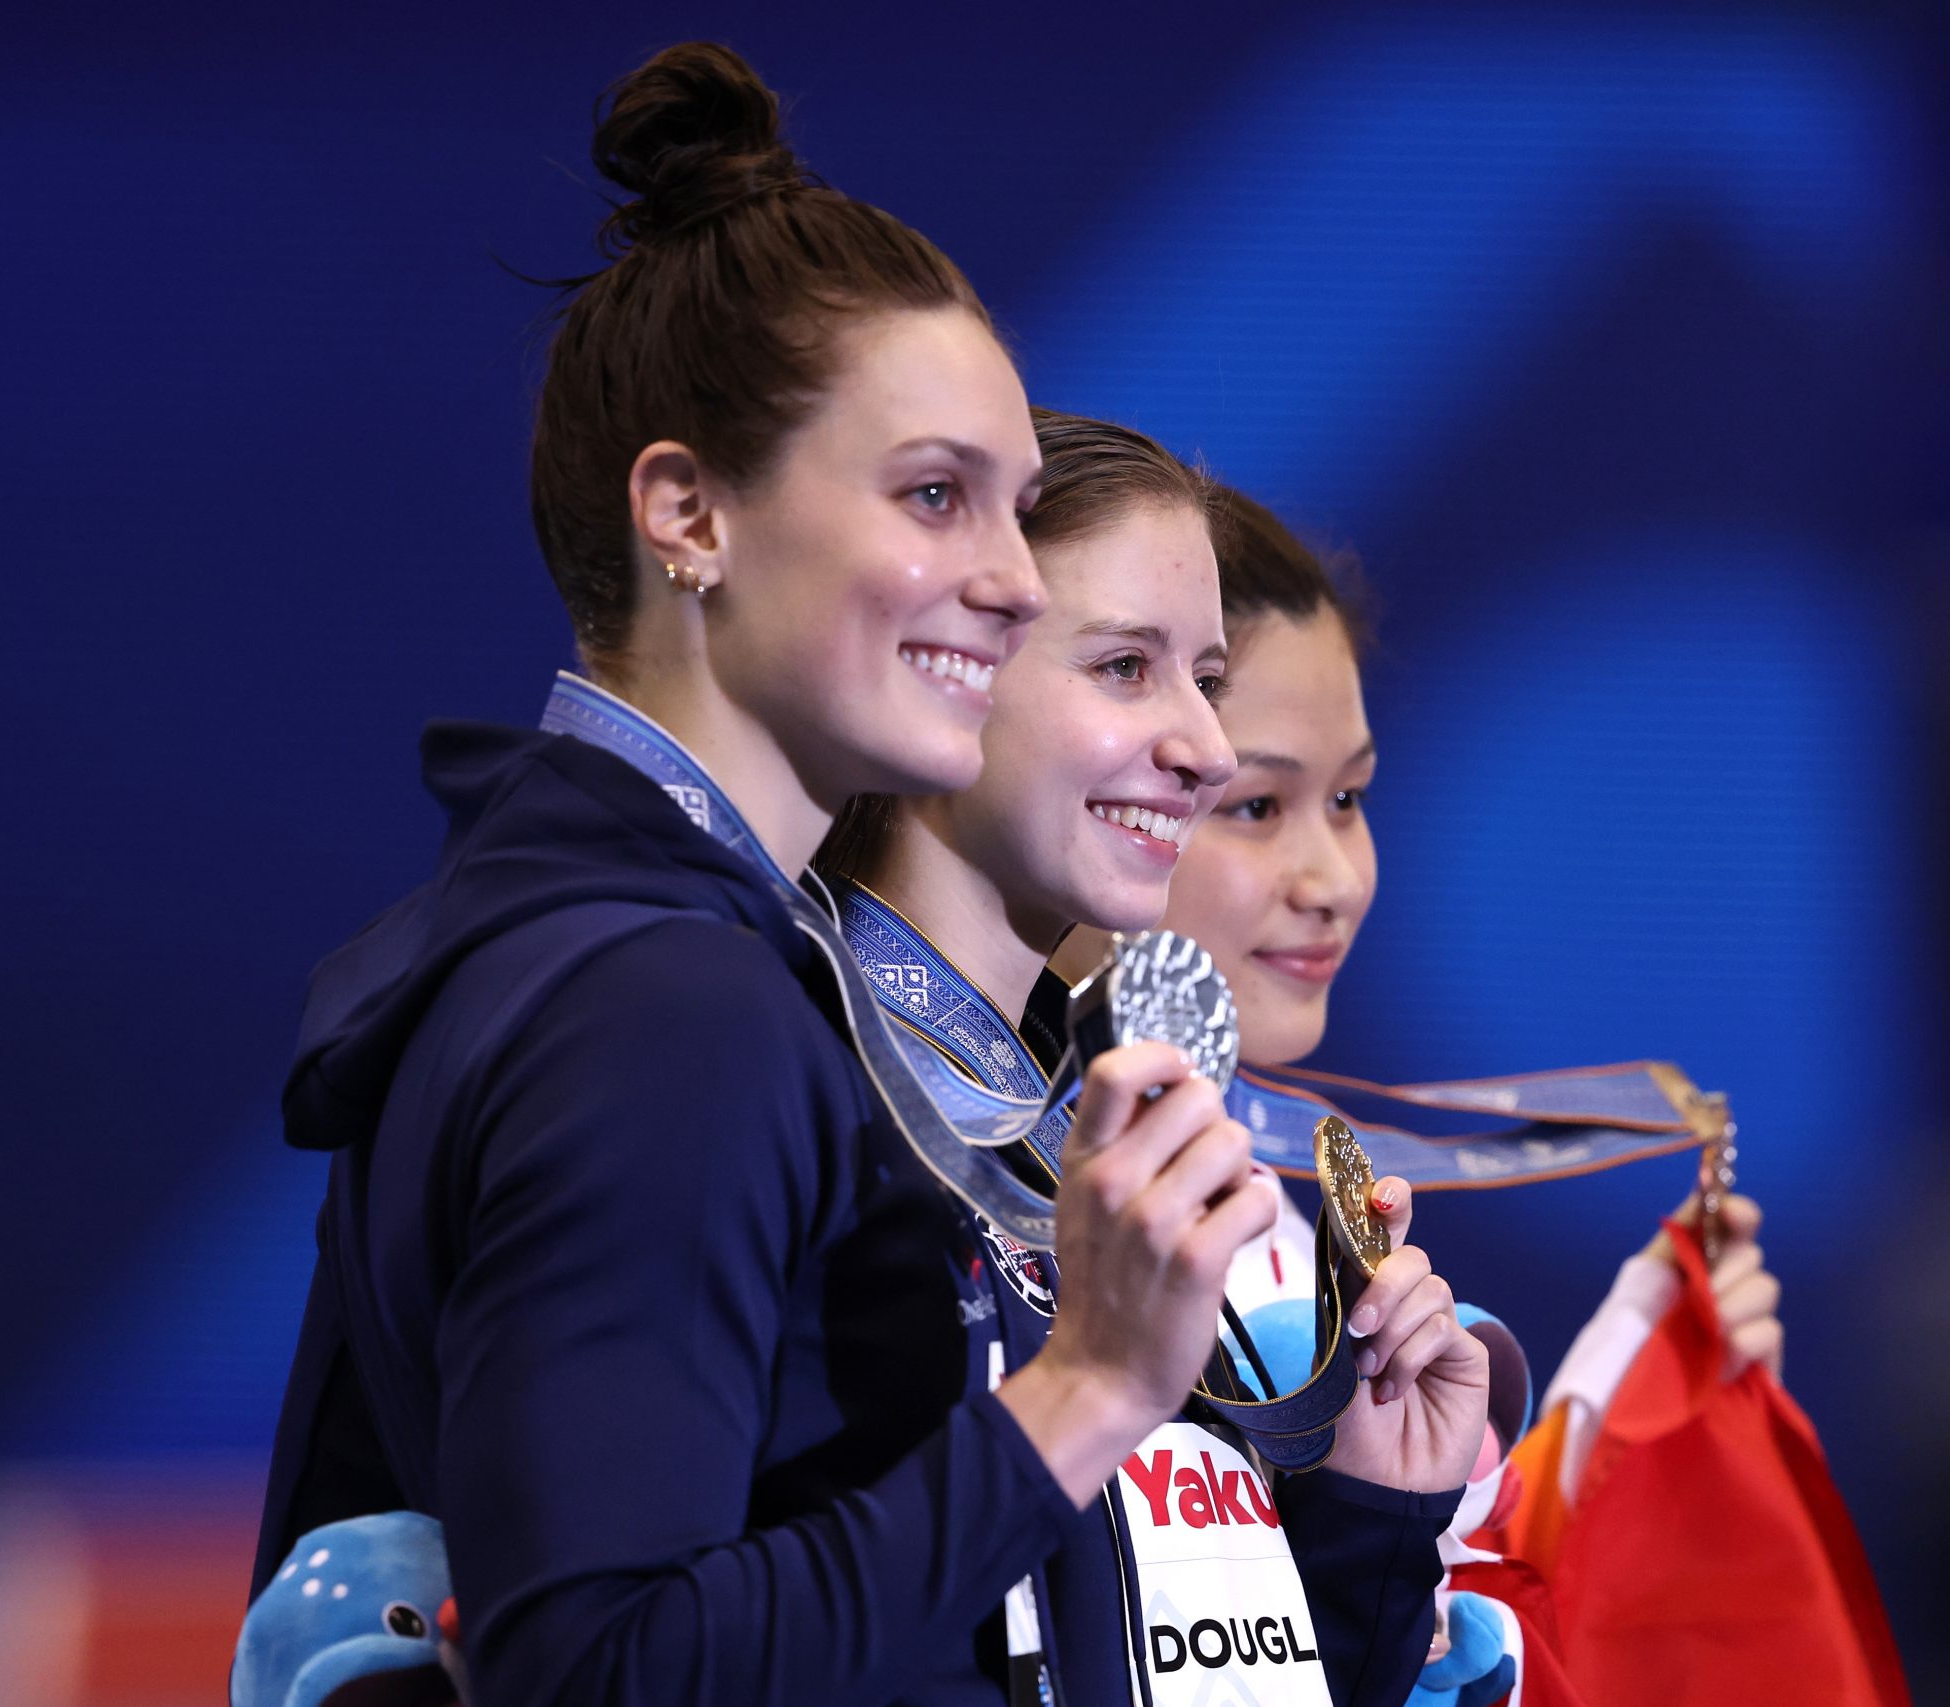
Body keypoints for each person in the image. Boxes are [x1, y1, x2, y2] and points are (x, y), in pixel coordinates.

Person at [248, 46, 1356, 1705]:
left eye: (1016, 510)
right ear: (687, 512)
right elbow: (600, 1668)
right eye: (934, 496)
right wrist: (1090, 1390)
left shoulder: (599, 952)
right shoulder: (662, 1004)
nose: (1001, 579)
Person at [817, 410, 1491, 1704]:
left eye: (1348, 798)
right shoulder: (797, 1085)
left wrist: (1376, 1508)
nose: (1196, 745)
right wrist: (1090, 1389)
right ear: (948, 666)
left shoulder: (1101, 1159)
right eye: (1127, 667)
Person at [1143, 489, 1804, 1702]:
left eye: (1347, 799)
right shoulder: (1011, 1212)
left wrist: (1617, 1423)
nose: (1330, 877)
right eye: (1254, 806)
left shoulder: (1281, 1220)